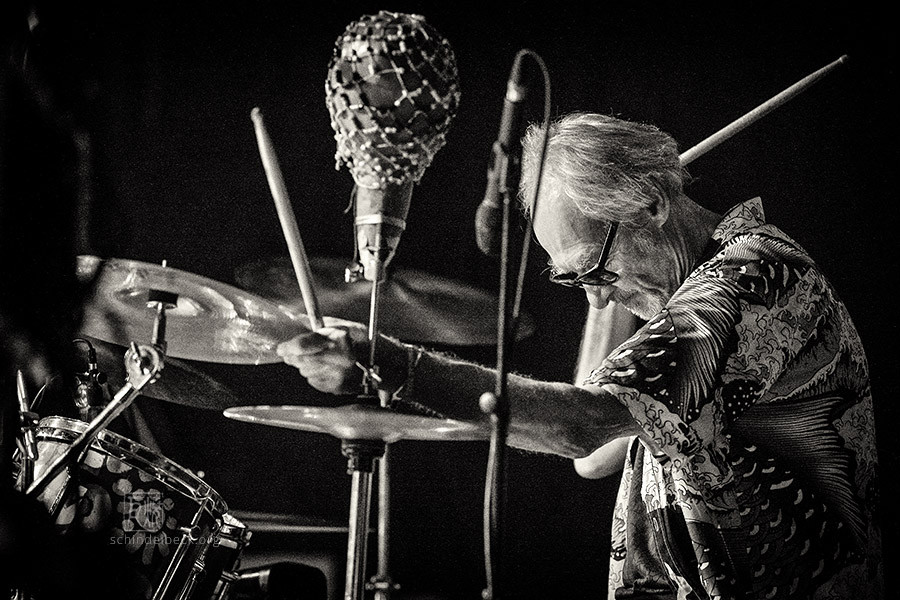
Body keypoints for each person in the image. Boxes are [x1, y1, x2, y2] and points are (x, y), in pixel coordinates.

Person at [277, 112, 882, 599]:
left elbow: (581, 426)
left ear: (653, 203)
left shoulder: (749, 282)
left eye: (594, 269)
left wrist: (397, 366)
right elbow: (595, 458)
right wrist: (609, 265)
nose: (594, 298)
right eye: (573, 280)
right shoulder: (687, 297)